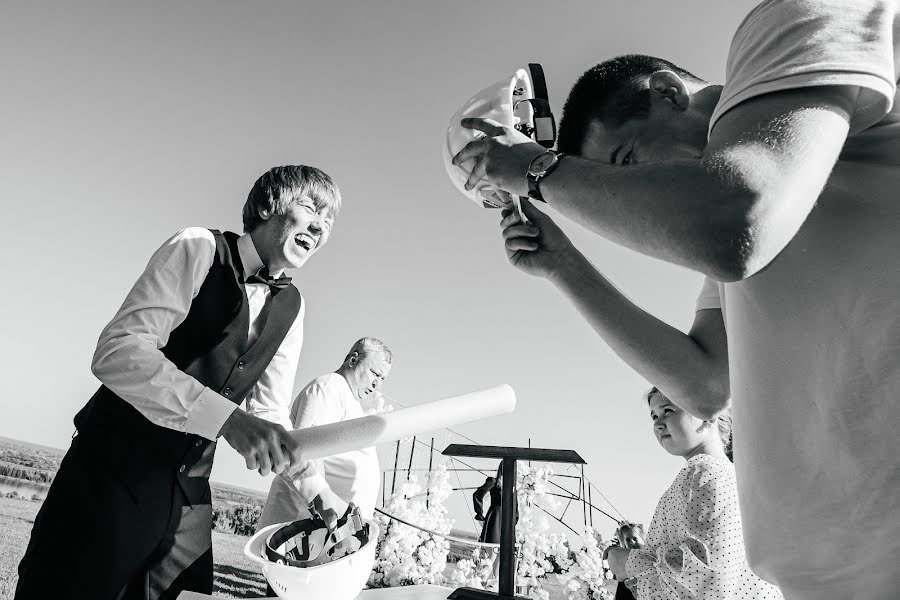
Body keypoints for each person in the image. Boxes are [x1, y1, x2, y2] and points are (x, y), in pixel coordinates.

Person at [455, 2, 900, 597]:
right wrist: (562, 264)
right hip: (832, 578)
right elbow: (704, 384)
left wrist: (537, 170)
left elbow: (735, 221)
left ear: (667, 93)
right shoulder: (736, 228)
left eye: (629, 164)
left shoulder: (793, 20)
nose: (633, 194)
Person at [15, 165, 341, 600]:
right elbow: (119, 351)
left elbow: (268, 413)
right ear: (268, 206)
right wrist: (227, 421)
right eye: (310, 208)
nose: (320, 226)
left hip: (189, 496)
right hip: (111, 476)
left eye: (330, 221)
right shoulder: (198, 248)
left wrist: (317, 490)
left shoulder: (293, 308)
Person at [604, 388, 782, 600]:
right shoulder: (726, 476)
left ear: (707, 414)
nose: (658, 423)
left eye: (668, 410)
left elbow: (709, 579)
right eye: (654, 416)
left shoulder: (705, 475)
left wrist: (628, 563)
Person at [257, 337, 392, 532]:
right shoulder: (328, 389)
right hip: (305, 525)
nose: (376, 384)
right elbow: (306, 454)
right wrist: (323, 508)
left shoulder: (348, 398)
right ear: (353, 360)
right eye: (374, 373)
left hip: (328, 530)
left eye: (382, 379)